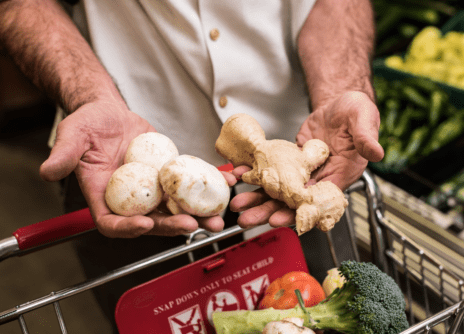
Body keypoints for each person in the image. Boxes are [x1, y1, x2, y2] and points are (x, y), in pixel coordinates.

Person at [0, 0, 384, 331]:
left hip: (299, 163)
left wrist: (339, 90)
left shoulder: (301, 176)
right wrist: (88, 98)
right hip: (125, 166)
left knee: (326, 316)